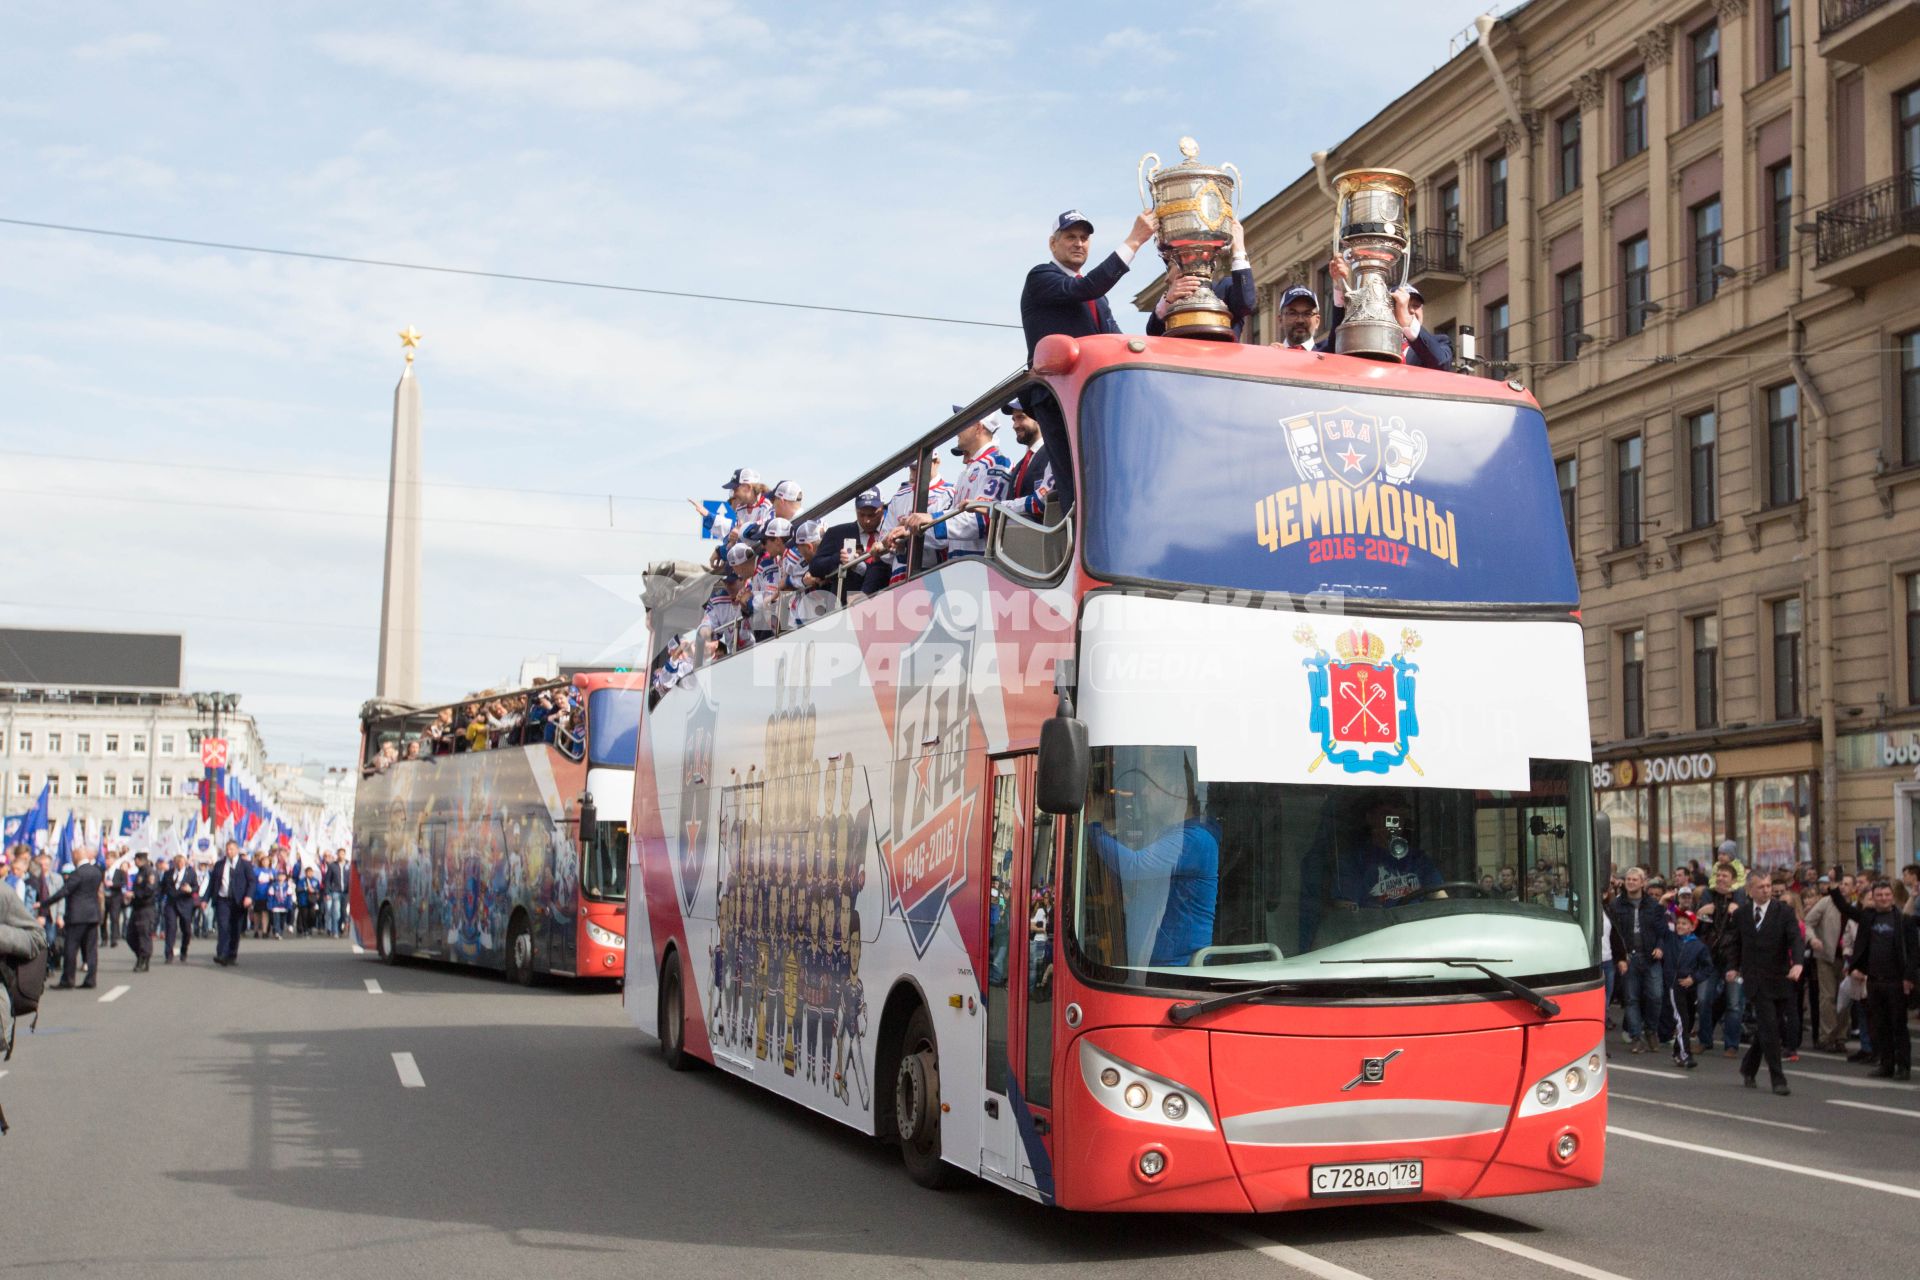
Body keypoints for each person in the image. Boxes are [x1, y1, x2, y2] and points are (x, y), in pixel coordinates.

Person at [1019, 207, 1159, 513]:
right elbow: (1084, 287)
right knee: (1076, 479)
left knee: (1102, 478)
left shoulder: (1097, 296)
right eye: (1070, 236)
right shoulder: (1042, 277)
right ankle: (1079, 552)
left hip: (1095, 396)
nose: (1079, 243)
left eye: (1084, 238)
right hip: (1059, 396)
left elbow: (1120, 342)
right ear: (1052, 243)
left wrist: (1163, 308)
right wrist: (1133, 241)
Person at [1083, 779, 1220, 968]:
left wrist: (1095, 826)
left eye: (1153, 785)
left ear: (1178, 789)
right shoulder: (1172, 834)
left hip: (1178, 969)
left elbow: (1134, 866)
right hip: (1159, 962)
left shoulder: (1193, 839)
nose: (1144, 792)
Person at [1829, 879, 1917, 1079]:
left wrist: (1909, 978)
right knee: (1880, 1025)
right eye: (1879, 895)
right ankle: (1886, 1065)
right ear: (1873, 898)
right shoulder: (1868, 917)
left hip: (1896, 981)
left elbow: (1914, 953)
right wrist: (1834, 886)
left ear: (1892, 897)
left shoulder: (1903, 921)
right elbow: (1844, 907)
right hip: (1874, 980)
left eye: (1887, 895)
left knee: (1899, 1026)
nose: (1883, 899)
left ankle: (1903, 1067)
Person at [1728, 871, 1805, 1095]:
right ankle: (1777, 1079)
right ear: (1750, 890)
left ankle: (1748, 1067)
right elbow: (1735, 944)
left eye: (1769, 886)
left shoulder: (1784, 912)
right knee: (1770, 1027)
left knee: (1772, 1026)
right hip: (1756, 980)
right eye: (1761, 887)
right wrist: (1732, 967)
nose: (1766, 890)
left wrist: (1797, 963)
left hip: (1780, 978)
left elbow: (1795, 939)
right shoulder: (1741, 915)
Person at [908, 414, 1010, 560]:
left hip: (981, 565)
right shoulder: (969, 470)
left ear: (978, 427)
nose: (957, 430)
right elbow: (951, 533)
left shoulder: (997, 463)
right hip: (959, 564)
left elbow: (982, 520)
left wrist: (932, 518)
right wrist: (911, 530)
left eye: (964, 423)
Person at [1328, 259, 1454, 370]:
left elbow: (1441, 363)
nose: (1411, 311)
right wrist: (1340, 285)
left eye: (1416, 306)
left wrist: (1408, 324)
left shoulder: (1440, 342)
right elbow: (1338, 347)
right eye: (1402, 305)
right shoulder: (1376, 340)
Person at [1145, 216, 1256, 339]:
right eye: (1185, 254)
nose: (1192, 259)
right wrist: (1167, 301)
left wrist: (1239, 249)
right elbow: (1153, 333)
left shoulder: (1224, 289)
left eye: (1200, 252)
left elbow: (1246, 303)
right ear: (1168, 278)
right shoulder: (1168, 301)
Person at [1332, 797, 1444, 909]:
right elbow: (1346, 906)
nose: (1395, 822)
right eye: (1386, 815)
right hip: (1379, 925)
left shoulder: (1418, 858)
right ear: (1370, 818)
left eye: (1400, 816)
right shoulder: (1354, 861)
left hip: (1415, 923)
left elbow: (1439, 895)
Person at [1608, 866, 1671, 1053]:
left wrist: (1660, 947)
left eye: (1635, 880)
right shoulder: (1617, 906)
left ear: (1643, 882)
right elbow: (1614, 935)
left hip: (1650, 957)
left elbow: (1663, 931)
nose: (1631, 882)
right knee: (1631, 999)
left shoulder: (1653, 905)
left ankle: (1651, 1030)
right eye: (1628, 879)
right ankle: (1636, 1037)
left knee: (1656, 996)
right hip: (1629, 958)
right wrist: (1620, 957)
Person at [1692, 862, 1745, 1055]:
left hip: (1733, 959)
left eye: (1725, 876)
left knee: (1734, 1003)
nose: (1721, 879)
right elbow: (1695, 929)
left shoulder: (1740, 901)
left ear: (1733, 881)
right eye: (1719, 875)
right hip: (1710, 957)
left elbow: (1744, 932)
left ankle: (1731, 1044)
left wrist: (1736, 913)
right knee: (1704, 999)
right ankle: (1705, 1039)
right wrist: (1700, 914)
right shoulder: (1707, 897)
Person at [810, 487, 890, 599]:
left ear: (882, 508)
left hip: (885, 598)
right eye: (861, 514)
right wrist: (839, 558)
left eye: (872, 515)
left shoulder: (890, 531)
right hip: (847, 604)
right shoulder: (837, 533)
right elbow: (815, 567)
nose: (866, 520)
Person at [42, 854, 104, 990]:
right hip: (93, 914)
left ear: (77, 857)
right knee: (91, 949)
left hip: (77, 916)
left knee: (71, 948)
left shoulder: (78, 873)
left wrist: (44, 903)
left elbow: (64, 891)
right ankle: (91, 979)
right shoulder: (97, 871)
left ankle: (68, 979)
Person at [1804, 880, 1848, 1052]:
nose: (1843, 887)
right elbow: (1808, 922)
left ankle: (1841, 1036)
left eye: (1846, 884)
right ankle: (1827, 1036)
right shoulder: (1826, 902)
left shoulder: (1854, 904)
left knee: (1845, 999)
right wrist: (1813, 939)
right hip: (1826, 956)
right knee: (1828, 998)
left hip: (1848, 958)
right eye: (1840, 884)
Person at [1665, 910, 1711, 1069]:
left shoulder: (1699, 946)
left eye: (1685, 924)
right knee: (1681, 1020)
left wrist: (1694, 978)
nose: (1680, 926)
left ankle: (1677, 1052)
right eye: (1679, 923)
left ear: (1692, 927)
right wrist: (1666, 903)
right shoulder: (1671, 940)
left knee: (1689, 1021)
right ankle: (1686, 1055)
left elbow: (1707, 967)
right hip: (1675, 986)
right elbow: (1661, 921)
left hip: (1690, 988)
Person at [205, 840, 252, 967]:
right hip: (222, 900)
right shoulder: (220, 865)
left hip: (239, 901)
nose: (229, 851)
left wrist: (248, 896)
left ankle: (232, 954)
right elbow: (212, 884)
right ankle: (222, 954)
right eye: (227, 849)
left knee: (235, 929)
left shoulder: (245, 865)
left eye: (231, 849)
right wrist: (205, 899)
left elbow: (252, 882)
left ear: (237, 850)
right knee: (223, 926)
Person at [160, 853, 199, 963]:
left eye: (181, 862)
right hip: (171, 904)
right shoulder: (168, 873)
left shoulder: (190, 873)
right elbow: (162, 887)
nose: (179, 864)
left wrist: (190, 889)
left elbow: (196, 887)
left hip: (185, 903)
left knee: (186, 930)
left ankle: (184, 950)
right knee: (171, 928)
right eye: (177, 862)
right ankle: (168, 954)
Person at [1269, 284, 1329, 352]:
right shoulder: (1272, 356)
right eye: (1292, 313)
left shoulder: (1329, 352)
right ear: (1280, 320)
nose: (1300, 320)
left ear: (1317, 321)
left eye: (1307, 314)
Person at [124, 851, 158, 973]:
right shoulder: (140, 872)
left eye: (136, 860)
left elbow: (150, 889)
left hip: (146, 908)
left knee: (144, 935)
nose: (134, 862)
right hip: (137, 908)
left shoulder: (150, 872)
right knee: (130, 936)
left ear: (140, 859)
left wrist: (134, 894)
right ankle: (140, 955)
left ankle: (143, 960)